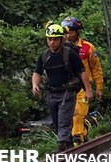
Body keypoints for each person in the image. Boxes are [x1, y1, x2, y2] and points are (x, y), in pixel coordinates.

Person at [32, 23, 92, 152]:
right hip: (51, 93)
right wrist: (35, 85)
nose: (52, 42)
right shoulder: (44, 56)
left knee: (64, 120)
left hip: (67, 92)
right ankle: (68, 145)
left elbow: (82, 72)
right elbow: (37, 72)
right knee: (57, 121)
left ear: (61, 40)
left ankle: (62, 147)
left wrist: (88, 90)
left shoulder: (70, 54)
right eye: (49, 39)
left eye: (55, 39)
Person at [61, 16, 104, 146]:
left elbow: (96, 69)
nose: (68, 36)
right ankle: (84, 129)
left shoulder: (87, 48)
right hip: (66, 88)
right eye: (66, 33)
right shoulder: (59, 48)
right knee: (68, 117)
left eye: (71, 33)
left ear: (77, 32)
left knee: (78, 114)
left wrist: (99, 88)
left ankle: (77, 140)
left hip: (83, 88)